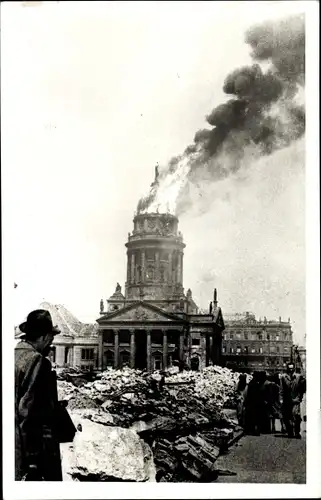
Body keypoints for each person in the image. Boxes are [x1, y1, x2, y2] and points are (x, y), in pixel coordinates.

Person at [15, 309, 63, 480]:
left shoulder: (13, 355)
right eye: (50, 338)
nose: (51, 343)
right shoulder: (37, 361)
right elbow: (30, 413)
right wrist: (34, 461)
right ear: (43, 337)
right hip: (31, 452)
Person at [280, 362, 306, 439]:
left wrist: (300, 397)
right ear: (287, 368)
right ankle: (290, 432)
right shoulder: (283, 377)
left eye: (292, 368)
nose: (291, 369)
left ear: (294, 368)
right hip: (287, 401)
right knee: (288, 417)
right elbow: (281, 389)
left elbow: (302, 389)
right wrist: (281, 399)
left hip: (296, 400)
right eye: (289, 368)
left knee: (297, 417)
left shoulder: (299, 377)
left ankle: (297, 432)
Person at [243, 371, 263, 435]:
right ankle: (255, 431)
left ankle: (250, 430)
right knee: (255, 418)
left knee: (251, 417)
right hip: (255, 404)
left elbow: (247, 394)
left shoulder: (251, 383)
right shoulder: (257, 384)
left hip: (251, 403)